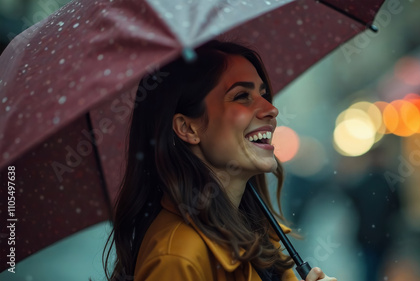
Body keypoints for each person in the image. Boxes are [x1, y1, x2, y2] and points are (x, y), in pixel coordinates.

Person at [103, 40, 336, 281]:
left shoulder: (257, 235)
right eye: (242, 96)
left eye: (263, 94)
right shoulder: (177, 260)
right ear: (188, 128)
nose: (271, 109)